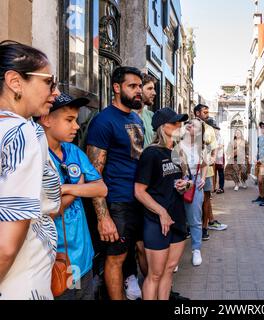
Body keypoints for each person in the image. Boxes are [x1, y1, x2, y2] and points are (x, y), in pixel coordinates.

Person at [0, 40, 61, 299]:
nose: (56, 91)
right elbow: (6, 245)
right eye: (49, 81)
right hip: (18, 279)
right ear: (15, 82)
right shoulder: (22, 133)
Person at [38, 93, 108, 300]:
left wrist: (66, 188)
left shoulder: (73, 151)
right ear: (46, 119)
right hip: (58, 261)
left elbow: (101, 189)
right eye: (69, 120)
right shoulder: (37, 156)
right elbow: (50, 210)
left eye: (76, 120)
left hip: (83, 257)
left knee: (84, 293)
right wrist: (80, 186)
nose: (76, 126)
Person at [86, 66, 145, 300]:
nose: (138, 91)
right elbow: (93, 173)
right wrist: (103, 216)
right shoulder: (103, 121)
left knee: (142, 250)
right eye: (133, 86)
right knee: (116, 258)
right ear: (117, 87)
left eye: (140, 86)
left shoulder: (136, 119)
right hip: (117, 202)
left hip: (138, 199)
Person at [134, 107, 191, 300]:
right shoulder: (151, 153)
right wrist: (161, 212)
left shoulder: (177, 152)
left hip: (177, 218)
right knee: (155, 275)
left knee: (168, 272)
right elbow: (139, 191)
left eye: (180, 122)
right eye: (175, 122)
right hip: (156, 221)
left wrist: (185, 185)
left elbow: (183, 181)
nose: (179, 126)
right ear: (162, 126)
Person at [122, 73, 157, 299]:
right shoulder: (124, 118)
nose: (153, 93)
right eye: (150, 88)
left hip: (149, 187)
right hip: (128, 188)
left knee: (145, 244)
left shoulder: (152, 117)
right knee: (130, 241)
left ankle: (153, 286)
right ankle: (130, 276)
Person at [193, 105, 227, 239]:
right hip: (190, 171)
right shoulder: (187, 127)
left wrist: (212, 159)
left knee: (206, 200)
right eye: (204, 112)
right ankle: (192, 226)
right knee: (192, 200)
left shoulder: (209, 130)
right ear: (197, 113)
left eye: (207, 112)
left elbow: (214, 150)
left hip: (206, 172)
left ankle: (204, 228)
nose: (207, 115)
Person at [178, 118, 207, 266]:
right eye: (189, 123)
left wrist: (202, 178)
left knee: (195, 219)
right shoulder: (177, 145)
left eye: (194, 125)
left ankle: (196, 250)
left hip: (195, 185)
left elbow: (204, 164)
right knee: (176, 218)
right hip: (177, 182)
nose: (190, 125)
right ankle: (174, 256)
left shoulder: (200, 147)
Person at [212, 121, 225, 194]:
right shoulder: (212, 137)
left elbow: (221, 145)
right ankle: (214, 187)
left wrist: (214, 147)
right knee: (213, 173)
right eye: (214, 129)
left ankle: (221, 187)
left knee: (220, 173)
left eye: (216, 130)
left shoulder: (220, 137)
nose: (215, 131)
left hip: (219, 157)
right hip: (214, 157)